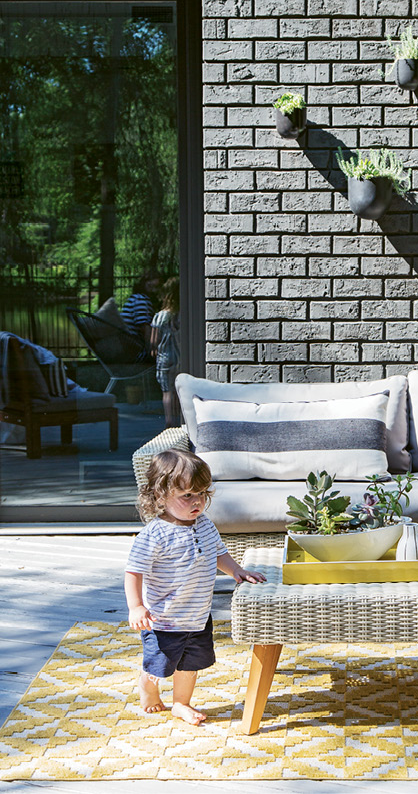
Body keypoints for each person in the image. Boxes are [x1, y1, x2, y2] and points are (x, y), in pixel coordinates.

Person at [124, 448, 266, 725]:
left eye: (202, 494)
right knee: (159, 667)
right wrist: (136, 606)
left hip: (198, 617)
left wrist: (236, 570)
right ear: (160, 495)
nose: (197, 501)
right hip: (163, 620)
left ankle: (181, 703)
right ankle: (147, 686)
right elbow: (133, 571)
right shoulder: (154, 534)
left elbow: (217, 553)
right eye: (187, 495)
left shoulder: (204, 524)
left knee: (190, 666)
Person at [150, 276, 181, 427]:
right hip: (180, 356)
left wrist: (153, 349)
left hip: (164, 357)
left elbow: (154, 340)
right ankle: (182, 420)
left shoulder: (160, 316)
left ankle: (169, 422)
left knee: (167, 391)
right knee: (179, 390)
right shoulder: (183, 314)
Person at [120, 270, 161, 350]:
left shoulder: (135, 298)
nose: (154, 290)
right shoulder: (141, 300)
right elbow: (144, 328)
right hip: (134, 349)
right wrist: (152, 350)